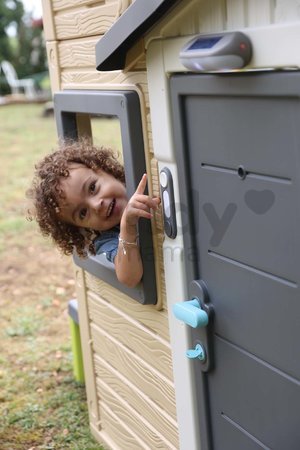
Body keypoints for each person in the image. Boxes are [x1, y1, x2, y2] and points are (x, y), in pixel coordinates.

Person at [27, 138, 160, 288]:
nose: (96, 205)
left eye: (92, 188)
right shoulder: (108, 239)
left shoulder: (143, 175)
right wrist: (127, 228)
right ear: (80, 227)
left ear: (104, 169)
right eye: (83, 213)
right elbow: (129, 278)